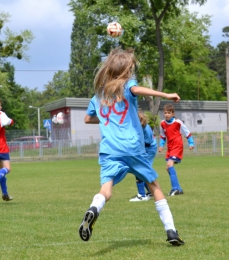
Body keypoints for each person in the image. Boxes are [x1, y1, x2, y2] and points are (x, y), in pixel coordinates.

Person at [79, 47, 185, 246]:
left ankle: (94, 208)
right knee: (154, 187)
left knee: (106, 189)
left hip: (110, 149)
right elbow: (137, 90)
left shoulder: (98, 96)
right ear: (126, 71)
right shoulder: (128, 86)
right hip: (132, 148)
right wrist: (166, 95)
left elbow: (87, 119)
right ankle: (171, 230)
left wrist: (103, 119)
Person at [158, 103, 194, 196]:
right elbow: (162, 136)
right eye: (165, 113)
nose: (167, 114)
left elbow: (187, 133)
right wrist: (161, 145)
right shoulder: (162, 123)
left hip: (177, 146)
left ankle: (174, 189)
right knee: (168, 168)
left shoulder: (178, 122)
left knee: (170, 164)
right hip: (170, 147)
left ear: (173, 114)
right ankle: (179, 189)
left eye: (169, 113)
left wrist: (191, 143)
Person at [129, 111, 157, 202]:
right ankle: (150, 192)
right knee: (142, 170)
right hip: (144, 149)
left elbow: (148, 143)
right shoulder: (137, 128)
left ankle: (142, 195)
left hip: (149, 149)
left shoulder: (146, 128)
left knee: (140, 170)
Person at [0, 99, 14, 202]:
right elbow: (10, 122)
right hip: (1, 147)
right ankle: (5, 193)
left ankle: (5, 193)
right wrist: (12, 121)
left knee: (1, 172)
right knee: (7, 168)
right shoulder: (1, 114)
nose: (0, 107)